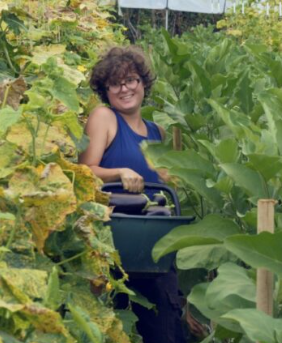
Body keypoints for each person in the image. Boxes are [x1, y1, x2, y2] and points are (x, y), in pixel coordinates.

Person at [79, 46, 204, 343]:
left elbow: (168, 191)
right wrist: (118, 172)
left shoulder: (158, 132)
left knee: (165, 329)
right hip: (113, 244)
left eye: (131, 80)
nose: (125, 88)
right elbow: (82, 172)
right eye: (115, 83)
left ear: (143, 83)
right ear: (105, 90)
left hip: (154, 249)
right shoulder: (104, 118)